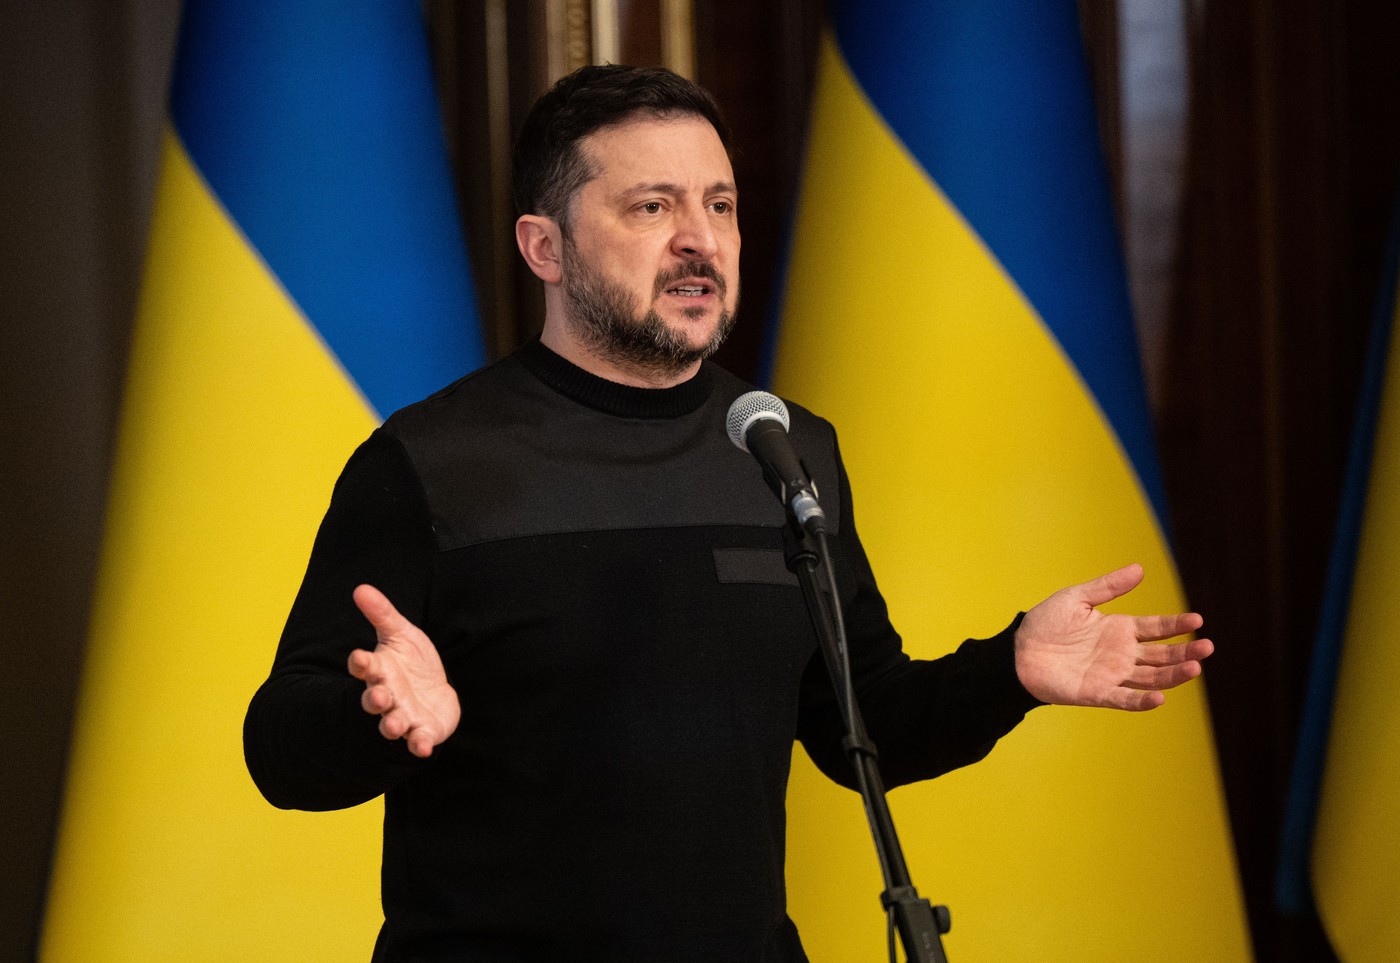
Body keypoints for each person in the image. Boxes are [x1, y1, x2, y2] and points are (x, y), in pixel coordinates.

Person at [243, 64, 1213, 962]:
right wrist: (377, 716)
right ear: (545, 247)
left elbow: (863, 725)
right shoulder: (431, 461)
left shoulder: (782, 448)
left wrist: (1010, 670)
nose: (699, 240)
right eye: (651, 206)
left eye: (719, 205)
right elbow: (279, 749)